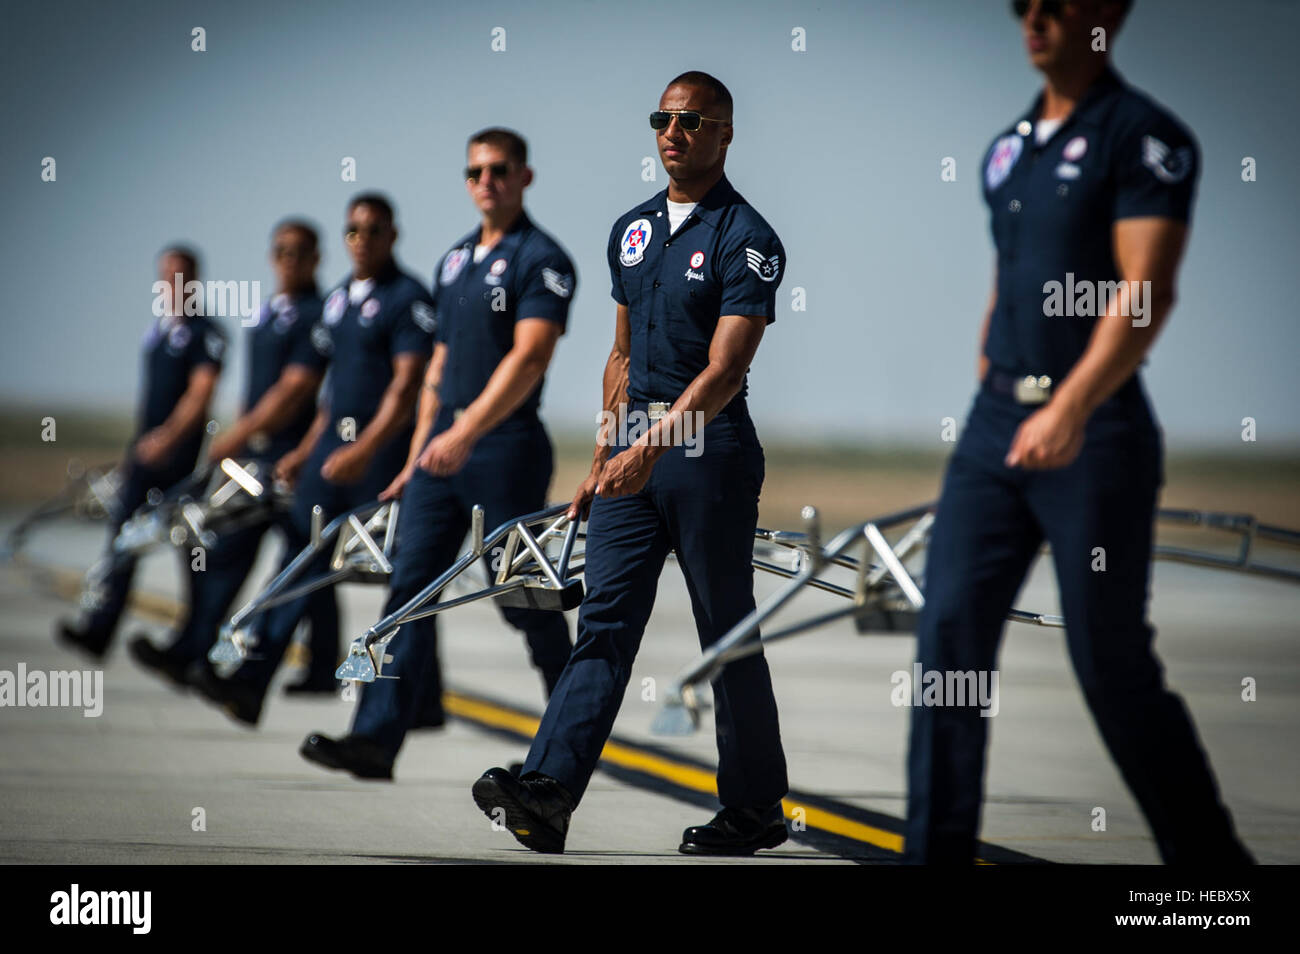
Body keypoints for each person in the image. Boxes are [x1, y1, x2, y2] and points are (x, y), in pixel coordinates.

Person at [903, 0, 1252, 864]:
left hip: (1094, 430)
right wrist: (998, 383)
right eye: (1020, 5)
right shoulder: (1009, 149)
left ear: (1107, 13)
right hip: (994, 427)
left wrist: (1070, 407)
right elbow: (1009, 274)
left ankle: (1213, 874)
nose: (1033, 18)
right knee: (946, 639)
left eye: (1054, 5)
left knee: (1109, 663)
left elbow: (1145, 292)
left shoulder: (1143, 138)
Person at [472, 72, 790, 855]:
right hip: (632, 460)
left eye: (691, 121)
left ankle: (754, 809)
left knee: (726, 632)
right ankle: (548, 792)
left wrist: (650, 448)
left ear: (724, 135)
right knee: (604, 622)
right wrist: (606, 453)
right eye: (662, 119)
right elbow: (618, 354)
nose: (672, 132)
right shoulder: (632, 230)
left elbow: (725, 372)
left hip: (707, 451)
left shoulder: (747, 238)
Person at [300, 128, 576, 780]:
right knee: (408, 592)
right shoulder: (455, 262)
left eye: (501, 170)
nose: (488, 181)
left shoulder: (544, 258)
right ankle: (374, 738)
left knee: (520, 598)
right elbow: (439, 363)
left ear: (525, 177)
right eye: (477, 171)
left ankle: (569, 726)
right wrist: (419, 451)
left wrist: (469, 430)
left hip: (503, 448)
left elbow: (530, 356)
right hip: (438, 453)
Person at [193, 194, 435, 726]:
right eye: (354, 230)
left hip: (378, 455)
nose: (363, 240)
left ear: (392, 235)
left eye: (374, 230)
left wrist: (365, 450)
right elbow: (330, 395)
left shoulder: (409, 298)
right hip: (329, 458)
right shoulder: (338, 300)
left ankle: (420, 701)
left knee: (405, 576)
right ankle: (252, 682)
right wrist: (306, 452)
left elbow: (407, 386)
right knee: (298, 563)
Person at [129, 220, 331, 688]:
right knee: (232, 554)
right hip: (257, 458)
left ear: (316, 258)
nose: (290, 260)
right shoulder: (267, 315)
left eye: (300, 252)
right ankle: (192, 649)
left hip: (294, 458)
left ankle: (317, 666)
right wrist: (241, 438)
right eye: (281, 250)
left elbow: (295, 389)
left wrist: (238, 434)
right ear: (271, 255)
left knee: (305, 561)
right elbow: (257, 389)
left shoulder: (316, 315)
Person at [58, 246, 225, 659]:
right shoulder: (158, 331)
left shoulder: (207, 334)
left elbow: (200, 394)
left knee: (193, 550)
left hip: (178, 459)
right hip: (144, 457)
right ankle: (99, 631)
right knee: (123, 541)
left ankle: (197, 638)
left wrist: (167, 439)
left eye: (181, 276)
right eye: (167, 276)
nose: (174, 285)